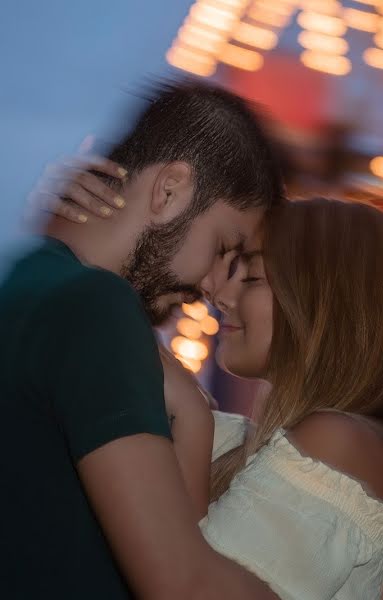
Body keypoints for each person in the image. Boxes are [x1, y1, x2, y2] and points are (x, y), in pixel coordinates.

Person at [32, 162, 383, 597]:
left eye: (253, 277)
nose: (221, 296)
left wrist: (191, 413)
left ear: (324, 300)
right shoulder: (245, 445)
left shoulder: (342, 442)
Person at [1, 81, 283, 599]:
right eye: (224, 247)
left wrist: (194, 418)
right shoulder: (97, 307)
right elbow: (183, 586)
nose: (214, 291)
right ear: (169, 190)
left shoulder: (27, 280)